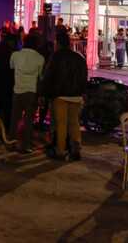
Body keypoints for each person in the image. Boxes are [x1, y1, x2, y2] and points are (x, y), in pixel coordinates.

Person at [41, 31, 87, 160]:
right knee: (74, 123)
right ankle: (76, 149)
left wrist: (44, 93)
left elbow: (48, 76)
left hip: (60, 95)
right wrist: (82, 92)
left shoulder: (56, 57)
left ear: (58, 43)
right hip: (76, 95)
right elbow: (84, 77)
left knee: (61, 124)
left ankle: (60, 150)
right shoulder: (79, 57)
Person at [9, 33, 45, 153]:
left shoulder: (15, 55)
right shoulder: (40, 58)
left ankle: (12, 143)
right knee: (29, 120)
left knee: (15, 119)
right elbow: (40, 77)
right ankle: (26, 145)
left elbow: (11, 67)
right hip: (31, 92)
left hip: (17, 90)